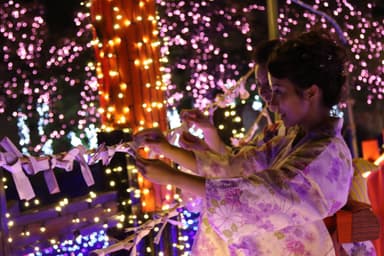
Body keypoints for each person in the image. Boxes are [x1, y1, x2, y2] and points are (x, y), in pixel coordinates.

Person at [134, 30, 353, 255]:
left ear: (311, 93)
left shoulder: (325, 154)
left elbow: (264, 196)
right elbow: (235, 165)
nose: (272, 102)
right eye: (266, 90)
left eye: (278, 92)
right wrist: (166, 150)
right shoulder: (291, 137)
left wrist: (173, 177)